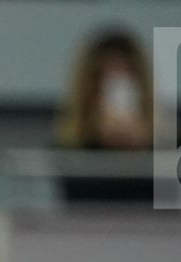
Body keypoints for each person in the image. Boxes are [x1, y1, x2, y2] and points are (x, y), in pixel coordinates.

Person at [53, 28, 160, 203]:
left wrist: (146, 147)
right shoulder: (65, 151)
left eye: (126, 77)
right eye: (105, 80)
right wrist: (97, 141)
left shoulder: (176, 145)